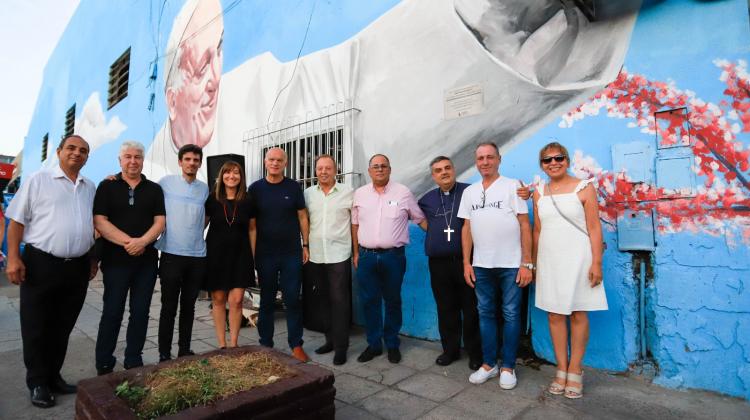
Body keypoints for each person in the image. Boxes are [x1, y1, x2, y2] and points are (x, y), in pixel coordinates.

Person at [4, 135, 98, 408]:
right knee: (36, 326)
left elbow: (89, 226)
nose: (77, 154)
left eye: (83, 150)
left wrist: (92, 259)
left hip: (77, 267)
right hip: (41, 263)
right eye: (71, 148)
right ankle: (37, 382)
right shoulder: (38, 180)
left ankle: (53, 376)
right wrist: (12, 259)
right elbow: (16, 223)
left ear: (87, 157)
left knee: (63, 326)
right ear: (58, 151)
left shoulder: (89, 187)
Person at [532, 142, 607, 399]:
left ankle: (576, 368)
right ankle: (561, 369)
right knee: (554, 314)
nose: (553, 163)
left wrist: (596, 262)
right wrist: (533, 264)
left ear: (567, 160)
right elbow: (537, 230)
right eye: (547, 160)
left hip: (579, 258)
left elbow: (595, 228)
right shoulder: (538, 192)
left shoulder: (584, 188)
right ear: (542, 165)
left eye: (558, 158)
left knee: (577, 313)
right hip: (550, 260)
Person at [458, 142, 533, 390]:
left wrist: (527, 263)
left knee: (511, 314)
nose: (485, 162)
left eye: (490, 157)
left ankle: (509, 366)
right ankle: (489, 364)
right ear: (476, 162)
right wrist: (466, 263)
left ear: (499, 159)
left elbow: (524, 224)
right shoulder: (469, 192)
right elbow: (466, 228)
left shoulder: (513, 186)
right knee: (486, 313)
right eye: (480, 158)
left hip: (511, 264)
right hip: (481, 265)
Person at [94, 141, 166, 375]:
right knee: (112, 311)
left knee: (141, 312)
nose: (133, 161)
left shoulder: (154, 189)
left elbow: (160, 222)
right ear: (120, 160)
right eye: (128, 156)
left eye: (137, 156)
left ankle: (134, 358)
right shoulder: (106, 187)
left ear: (143, 160)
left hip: (145, 263)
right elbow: (100, 221)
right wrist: (130, 243)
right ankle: (104, 362)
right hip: (115, 262)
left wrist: (143, 242)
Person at [352, 154, 426, 364]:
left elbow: (419, 218)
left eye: (384, 166)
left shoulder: (403, 192)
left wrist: (443, 240)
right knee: (369, 301)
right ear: (369, 171)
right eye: (375, 166)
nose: (380, 169)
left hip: (393, 257)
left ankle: (392, 343)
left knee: (392, 300)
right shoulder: (360, 194)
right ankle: (374, 344)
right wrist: (356, 253)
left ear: (390, 169)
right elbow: (355, 224)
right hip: (366, 256)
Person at [144, 0, 223, 180]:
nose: (216, 77)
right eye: (202, 68)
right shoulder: (154, 173)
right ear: (172, 101)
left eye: (219, 49)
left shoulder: (255, 90)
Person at [417, 156, 482, 370]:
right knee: (446, 308)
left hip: (466, 261)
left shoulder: (470, 191)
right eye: (438, 170)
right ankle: (450, 351)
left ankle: (475, 353)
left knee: (471, 308)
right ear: (433, 176)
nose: (443, 172)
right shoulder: (426, 199)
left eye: (447, 168)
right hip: (439, 264)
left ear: (454, 170)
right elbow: (423, 222)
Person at [248, 147, 310, 362]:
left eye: (279, 160)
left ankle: (296, 344)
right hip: (265, 255)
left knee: (292, 299)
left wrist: (306, 244)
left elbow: (302, 216)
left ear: (286, 163)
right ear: (265, 162)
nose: (275, 163)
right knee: (266, 301)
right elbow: (252, 225)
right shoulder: (255, 189)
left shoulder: (293, 187)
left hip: (291, 253)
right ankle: (266, 344)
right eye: (271, 159)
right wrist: (252, 255)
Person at [154, 144, 209, 362]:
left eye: (196, 160)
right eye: (187, 159)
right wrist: (116, 177)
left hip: (197, 256)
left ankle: (184, 349)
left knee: (189, 306)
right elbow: (144, 191)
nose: (191, 163)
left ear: (200, 163)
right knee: (168, 306)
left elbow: (206, 217)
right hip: (171, 254)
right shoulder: (165, 183)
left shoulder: (204, 189)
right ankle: (164, 353)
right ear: (180, 162)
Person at [303, 154, 353, 365]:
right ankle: (330, 341)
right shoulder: (307, 194)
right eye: (320, 168)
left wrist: (357, 251)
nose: (323, 171)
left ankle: (341, 347)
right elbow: (303, 220)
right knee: (323, 301)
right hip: (315, 254)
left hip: (339, 254)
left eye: (328, 168)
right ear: (315, 171)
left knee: (340, 301)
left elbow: (356, 223)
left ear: (336, 170)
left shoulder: (348, 192)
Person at [204, 160, 255, 349]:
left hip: (241, 255)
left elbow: (252, 229)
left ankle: (233, 344)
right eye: (227, 173)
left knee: (236, 300)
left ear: (241, 177)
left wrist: (253, 255)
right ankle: (221, 344)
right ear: (221, 176)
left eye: (236, 173)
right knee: (218, 299)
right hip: (216, 255)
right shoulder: (212, 199)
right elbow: (202, 224)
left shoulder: (248, 200)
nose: (231, 176)